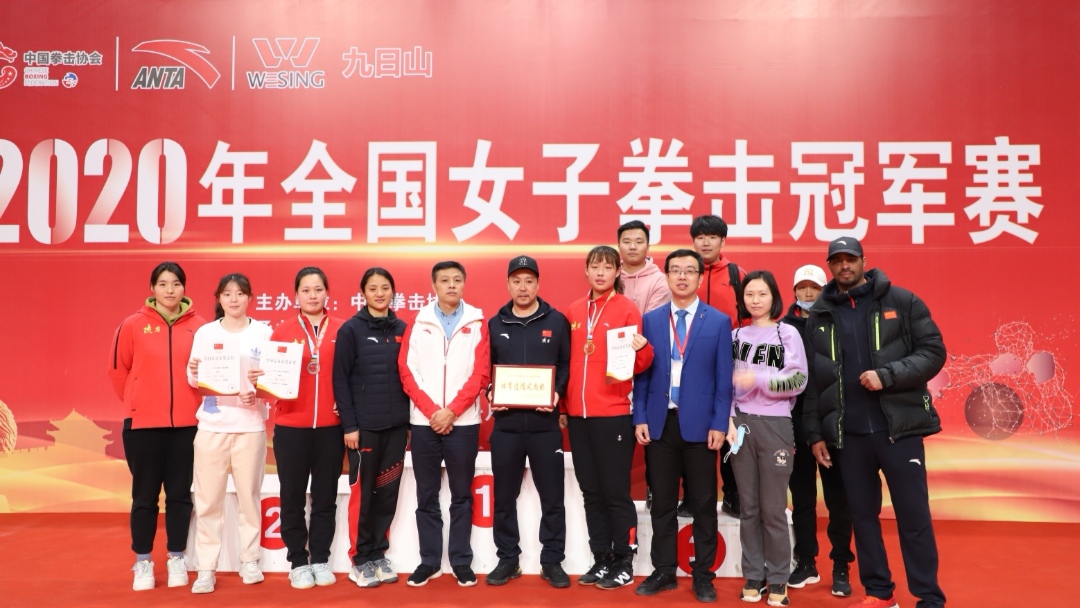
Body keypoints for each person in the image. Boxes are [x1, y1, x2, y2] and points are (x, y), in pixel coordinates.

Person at [803, 237, 947, 608]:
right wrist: (816, 434)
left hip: (898, 430)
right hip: (849, 436)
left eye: (850, 259)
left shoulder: (902, 301)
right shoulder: (819, 316)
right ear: (829, 266)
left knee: (913, 516)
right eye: (837, 260)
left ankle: (929, 597)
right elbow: (813, 382)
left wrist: (889, 375)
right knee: (862, 517)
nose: (844, 266)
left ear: (863, 261)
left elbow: (933, 351)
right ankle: (880, 592)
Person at [632, 249, 731, 603]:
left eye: (690, 271)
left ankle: (703, 575)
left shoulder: (718, 321)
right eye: (675, 270)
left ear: (700, 278)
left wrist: (719, 423)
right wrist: (640, 416)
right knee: (662, 504)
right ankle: (664, 571)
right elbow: (642, 374)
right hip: (660, 425)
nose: (683, 276)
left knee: (703, 503)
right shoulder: (651, 320)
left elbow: (724, 380)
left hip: (701, 428)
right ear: (667, 277)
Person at [109, 262, 206, 591]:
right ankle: (143, 561)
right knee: (144, 497)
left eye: (176, 284)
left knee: (180, 496)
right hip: (143, 426)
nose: (169, 290)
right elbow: (118, 371)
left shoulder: (200, 328)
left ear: (184, 288)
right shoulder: (132, 325)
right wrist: (139, 403)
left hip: (187, 426)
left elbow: (208, 374)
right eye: (162, 284)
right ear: (152, 288)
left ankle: (177, 557)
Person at [565, 245, 654, 590]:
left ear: (618, 272)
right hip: (579, 416)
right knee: (591, 491)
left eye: (607, 267)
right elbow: (566, 364)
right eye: (595, 266)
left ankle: (624, 560)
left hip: (613, 414)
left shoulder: (627, 309)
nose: (600, 273)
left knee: (615, 491)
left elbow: (641, 365)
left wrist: (643, 349)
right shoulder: (574, 311)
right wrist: (564, 407)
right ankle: (601, 557)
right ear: (586, 270)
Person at [398, 261, 490, 588]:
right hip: (424, 423)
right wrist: (432, 411)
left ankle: (461, 561)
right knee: (427, 495)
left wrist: (451, 411)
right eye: (444, 280)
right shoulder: (418, 321)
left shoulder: (477, 322)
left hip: (463, 422)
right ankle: (429, 560)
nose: (451, 285)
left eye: (457, 280)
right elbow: (407, 371)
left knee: (461, 495)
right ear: (433, 285)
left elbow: (480, 373)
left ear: (464, 284)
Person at [484, 255, 572, 589]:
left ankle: (552, 561)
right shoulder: (495, 324)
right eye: (516, 281)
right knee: (504, 498)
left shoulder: (557, 321)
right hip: (506, 427)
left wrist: (556, 392)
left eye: (529, 281)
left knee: (553, 499)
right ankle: (508, 559)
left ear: (538, 284)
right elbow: (487, 369)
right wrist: (492, 390)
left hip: (545, 427)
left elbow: (565, 364)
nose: (523, 287)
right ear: (508, 284)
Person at [185, 273, 274, 594]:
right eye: (227, 294)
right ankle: (206, 568)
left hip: (250, 427)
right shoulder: (206, 333)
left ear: (250, 297)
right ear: (219, 299)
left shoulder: (264, 332)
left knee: (249, 499)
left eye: (240, 293)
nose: (234, 299)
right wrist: (194, 372)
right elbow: (193, 379)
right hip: (212, 428)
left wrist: (260, 391)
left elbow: (274, 381)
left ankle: (249, 560)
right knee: (208, 501)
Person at [727, 270, 808, 607]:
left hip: (776, 425)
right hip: (740, 426)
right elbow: (724, 383)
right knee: (749, 508)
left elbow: (798, 381)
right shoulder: (734, 336)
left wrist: (757, 379)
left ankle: (777, 578)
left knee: (773, 509)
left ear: (774, 297)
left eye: (762, 294)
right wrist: (728, 420)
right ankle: (753, 575)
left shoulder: (786, 333)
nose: (755, 300)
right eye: (749, 294)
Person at [263, 267, 345, 589]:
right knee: (292, 496)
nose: (312, 295)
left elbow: (352, 375)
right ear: (296, 295)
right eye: (306, 290)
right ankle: (298, 560)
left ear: (327, 293)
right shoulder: (281, 331)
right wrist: (261, 381)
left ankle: (320, 558)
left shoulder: (342, 329)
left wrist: (347, 404)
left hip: (330, 428)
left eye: (318, 289)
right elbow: (269, 381)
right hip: (291, 427)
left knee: (325, 497)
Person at [333, 267, 410, 589]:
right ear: (363, 293)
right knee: (363, 496)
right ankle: (359, 559)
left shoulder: (403, 329)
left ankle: (378, 554)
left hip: (397, 428)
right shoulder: (351, 330)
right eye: (373, 288)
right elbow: (340, 380)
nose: (380, 293)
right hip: (364, 429)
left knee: (387, 493)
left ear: (393, 292)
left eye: (385, 288)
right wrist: (350, 425)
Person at [781, 265, 853, 597]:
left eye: (814, 287)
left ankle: (841, 564)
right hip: (795, 421)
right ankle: (806, 561)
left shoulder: (839, 321)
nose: (808, 293)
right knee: (802, 497)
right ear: (794, 291)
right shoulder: (783, 328)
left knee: (838, 498)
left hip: (832, 419)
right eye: (802, 287)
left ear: (825, 290)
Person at [690, 214, 746, 517]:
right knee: (692, 429)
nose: (706, 242)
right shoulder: (685, 272)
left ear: (722, 241)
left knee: (730, 426)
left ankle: (733, 493)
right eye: (700, 237)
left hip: (731, 364)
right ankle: (693, 496)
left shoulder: (737, 274)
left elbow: (748, 319)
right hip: (691, 365)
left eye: (712, 237)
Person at [618, 219, 671, 314]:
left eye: (639, 242)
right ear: (619, 246)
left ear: (648, 247)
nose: (632, 247)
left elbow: (654, 319)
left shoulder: (660, 281)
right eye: (626, 242)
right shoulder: (610, 276)